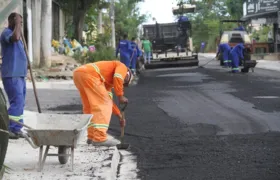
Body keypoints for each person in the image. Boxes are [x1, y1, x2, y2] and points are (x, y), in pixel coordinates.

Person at [73, 60, 134, 147]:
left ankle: (91, 137)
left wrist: (119, 116)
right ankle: (99, 139)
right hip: (90, 75)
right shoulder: (123, 67)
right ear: (127, 75)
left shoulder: (106, 83)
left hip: (78, 74)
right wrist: (120, 95)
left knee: (90, 107)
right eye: (124, 82)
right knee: (103, 106)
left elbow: (109, 101)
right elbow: (118, 76)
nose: (122, 84)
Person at [0, 13, 28, 139]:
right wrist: (17, 24)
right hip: (11, 74)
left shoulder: (18, 35)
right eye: (18, 22)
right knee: (16, 101)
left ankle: (17, 128)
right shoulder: (6, 33)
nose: (20, 25)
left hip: (20, 75)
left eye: (21, 23)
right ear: (11, 21)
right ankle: (9, 129)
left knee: (20, 102)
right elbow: (15, 37)